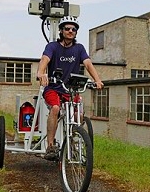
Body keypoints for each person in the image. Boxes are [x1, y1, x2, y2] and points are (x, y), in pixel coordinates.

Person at [37, 16, 104, 161]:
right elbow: (44, 60)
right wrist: (41, 73)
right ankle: (50, 146)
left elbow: (88, 64)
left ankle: (73, 140)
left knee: (79, 114)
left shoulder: (79, 48)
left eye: (74, 29)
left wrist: (97, 80)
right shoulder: (52, 47)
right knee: (55, 108)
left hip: (70, 90)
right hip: (53, 87)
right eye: (67, 28)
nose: (70, 31)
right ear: (61, 31)